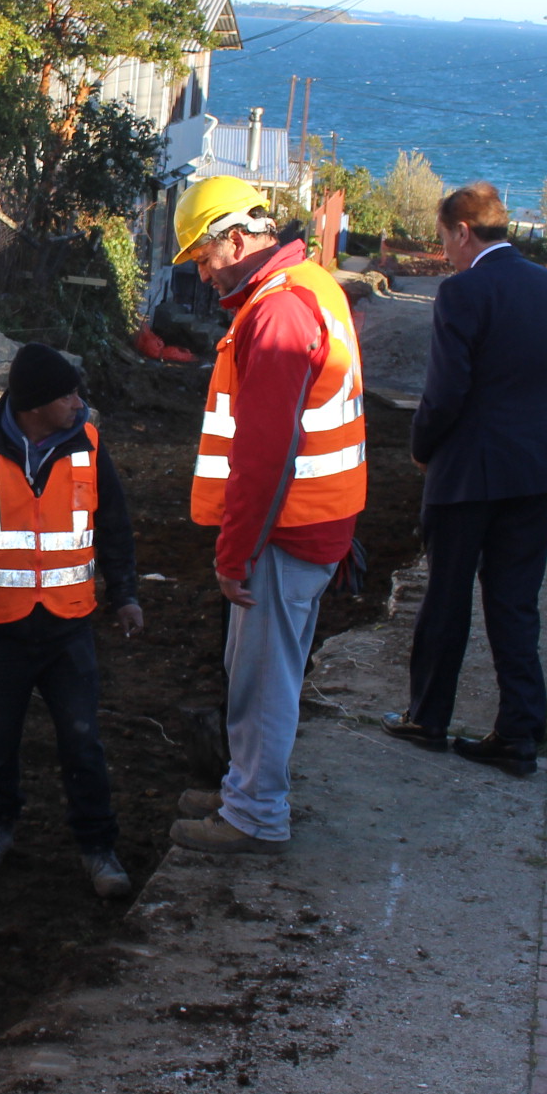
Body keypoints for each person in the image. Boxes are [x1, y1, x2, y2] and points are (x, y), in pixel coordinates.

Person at [164, 176, 367, 856]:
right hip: (311, 522)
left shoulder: (277, 313)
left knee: (262, 675)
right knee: (259, 667)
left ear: (239, 239)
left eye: (203, 255)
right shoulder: (311, 285)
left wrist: (233, 550)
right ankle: (243, 787)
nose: (201, 271)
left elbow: (265, 452)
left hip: (283, 530)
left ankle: (254, 814)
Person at [382, 182, 547, 776]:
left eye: (446, 239)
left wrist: (424, 447)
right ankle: (519, 734)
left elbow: (445, 391)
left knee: (447, 596)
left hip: (468, 469)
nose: (445, 251)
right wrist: (526, 423)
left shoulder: (463, 291)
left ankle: (428, 718)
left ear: (463, 232)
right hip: (534, 465)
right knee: (515, 602)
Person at [0, 343, 145, 900]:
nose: (79, 402)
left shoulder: (89, 446)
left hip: (70, 623)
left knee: (82, 741)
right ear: (36, 404)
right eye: (68, 394)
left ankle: (98, 847)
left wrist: (125, 595)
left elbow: (114, 527)